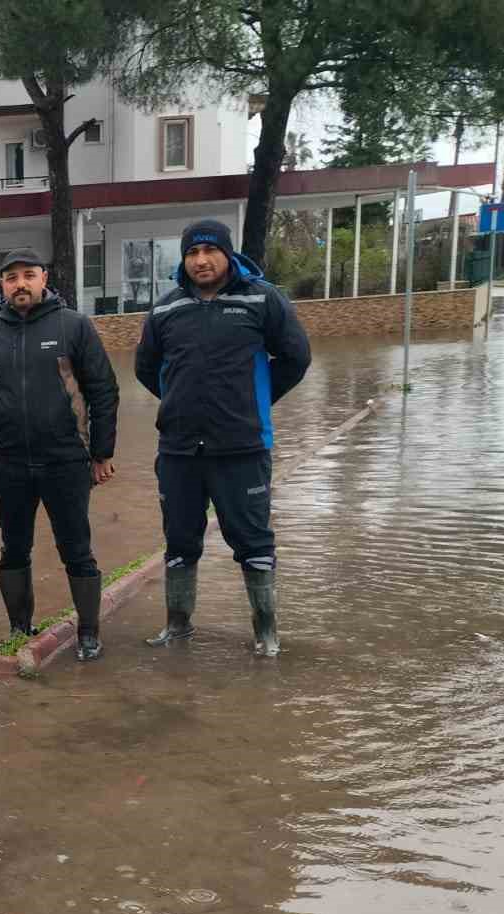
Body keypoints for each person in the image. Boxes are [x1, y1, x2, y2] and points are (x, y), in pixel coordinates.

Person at [135, 219, 311, 656]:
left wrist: (253, 400)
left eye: (210, 251)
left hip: (242, 448)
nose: (200, 260)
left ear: (227, 254)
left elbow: (296, 357)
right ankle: (178, 626)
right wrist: (180, 402)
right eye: (192, 253)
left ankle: (266, 632)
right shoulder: (165, 309)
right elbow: (146, 368)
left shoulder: (262, 299)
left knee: (253, 540)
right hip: (178, 449)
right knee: (179, 541)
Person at [0, 248, 119, 660]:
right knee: (13, 549)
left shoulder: (74, 328)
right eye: (11, 278)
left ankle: (88, 632)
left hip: (67, 461)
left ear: (43, 278)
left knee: (76, 549)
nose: (20, 284)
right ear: (2, 285)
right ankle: (19, 627)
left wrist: (101, 452)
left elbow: (104, 390)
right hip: (10, 464)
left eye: (28, 275)